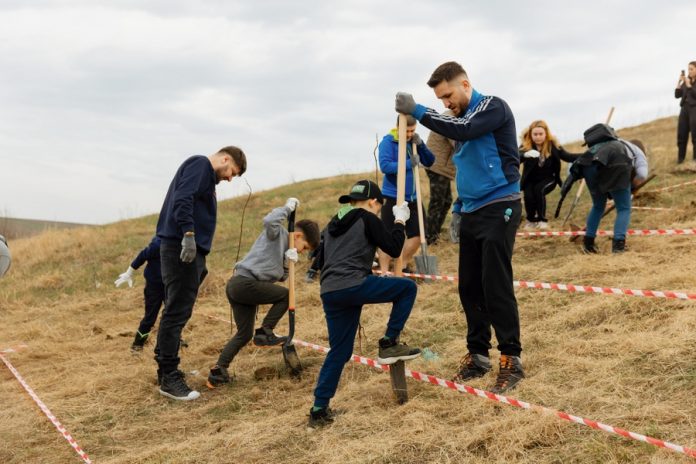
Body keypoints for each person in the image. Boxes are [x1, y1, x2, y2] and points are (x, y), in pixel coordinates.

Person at [395, 61, 524, 394]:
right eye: (440, 99)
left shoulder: (491, 107)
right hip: (471, 210)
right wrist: (458, 207)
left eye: (447, 95)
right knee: (469, 287)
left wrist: (419, 110)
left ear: (465, 84)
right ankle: (478, 355)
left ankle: (511, 358)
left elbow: (466, 129)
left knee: (495, 283)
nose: (445, 103)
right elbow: (454, 163)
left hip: (500, 205)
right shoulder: (456, 120)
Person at [309, 180, 420, 427]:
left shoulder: (331, 224)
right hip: (352, 285)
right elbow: (392, 247)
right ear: (373, 202)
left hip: (330, 291)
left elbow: (320, 260)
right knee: (407, 288)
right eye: (379, 208)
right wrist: (400, 221)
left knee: (340, 351)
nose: (378, 212)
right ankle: (389, 343)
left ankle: (319, 409)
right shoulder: (367, 218)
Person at [154, 146, 246, 401]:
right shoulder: (200, 165)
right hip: (181, 248)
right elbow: (183, 198)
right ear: (225, 159)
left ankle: (166, 371)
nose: (229, 178)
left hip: (187, 251)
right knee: (177, 311)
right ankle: (168, 377)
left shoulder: (205, 174)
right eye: (231, 173)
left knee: (176, 309)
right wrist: (188, 235)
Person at [206, 198, 320, 388]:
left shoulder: (288, 248)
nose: (302, 252)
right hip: (243, 282)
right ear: (298, 236)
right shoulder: (278, 234)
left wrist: (286, 262)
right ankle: (265, 331)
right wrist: (286, 209)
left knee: (244, 334)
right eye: (305, 247)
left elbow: (280, 277)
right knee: (285, 295)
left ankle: (218, 372)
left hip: (244, 288)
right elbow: (269, 221)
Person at [377, 115, 435, 274]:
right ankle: (383, 273)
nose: (409, 134)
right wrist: (410, 163)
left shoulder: (413, 142)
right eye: (407, 131)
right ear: (398, 126)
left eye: (413, 130)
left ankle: (400, 266)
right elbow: (385, 166)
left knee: (418, 235)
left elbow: (430, 161)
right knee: (387, 237)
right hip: (392, 196)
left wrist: (421, 145)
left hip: (413, 198)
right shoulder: (388, 142)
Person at [567, 124, 633, 254]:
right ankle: (618, 246)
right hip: (615, 168)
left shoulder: (592, 150)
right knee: (624, 208)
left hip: (590, 169)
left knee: (598, 206)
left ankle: (589, 244)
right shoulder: (621, 145)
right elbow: (637, 170)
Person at [519, 120, 581, 229]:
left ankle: (542, 220)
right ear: (530, 134)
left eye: (540, 134)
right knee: (528, 196)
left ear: (546, 134)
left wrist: (588, 154)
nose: (538, 137)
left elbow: (569, 157)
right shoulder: (526, 146)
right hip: (530, 180)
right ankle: (531, 220)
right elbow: (516, 157)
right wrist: (525, 155)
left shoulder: (554, 146)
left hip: (549, 179)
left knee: (539, 190)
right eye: (535, 134)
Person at [114, 236, 167, 353]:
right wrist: (129, 272)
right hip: (154, 287)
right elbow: (142, 256)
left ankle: (172, 342)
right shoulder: (158, 244)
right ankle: (137, 346)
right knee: (150, 318)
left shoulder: (181, 241)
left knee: (172, 315)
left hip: (170, 284)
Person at [424, 109, 456, 244]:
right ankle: (429, 237)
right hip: (437, 166)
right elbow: (456, 141)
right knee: (438, 202)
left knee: (446, 200)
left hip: (441, 166)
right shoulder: (449, 118)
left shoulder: (452, 116)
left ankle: (433, 233)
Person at [675, 62, 696, 164]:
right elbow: (677, 95)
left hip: (694, 108)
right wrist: (679, 82)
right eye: (689, 69)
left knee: (695, 134)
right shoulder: (686, 80)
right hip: (684, 109)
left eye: (691, 69)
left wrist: (689, 85)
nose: (689, 71)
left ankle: (695, 160)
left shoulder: (690, 83)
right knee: (681, 134)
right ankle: (680, 160)